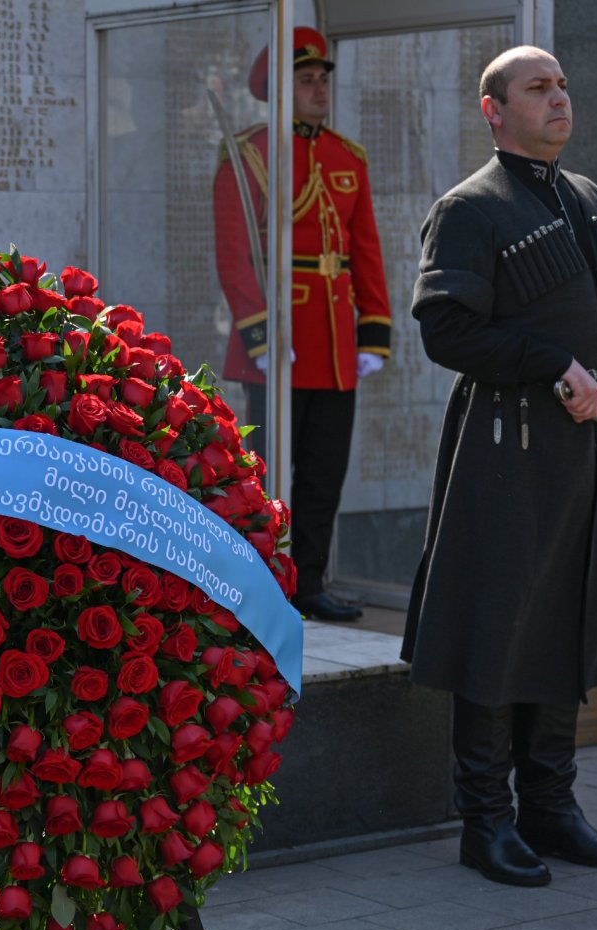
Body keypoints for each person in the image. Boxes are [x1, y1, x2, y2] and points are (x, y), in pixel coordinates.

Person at [402, 46, 597, 887]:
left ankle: (552, 809)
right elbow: (446, 329)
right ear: (493, 110)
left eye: (562, 85)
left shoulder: (587, 199)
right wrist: (549, 364)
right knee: (497, 625)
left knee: (566, 618)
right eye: (538, 88)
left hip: (592, 455)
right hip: (506, 450)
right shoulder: (469, 209)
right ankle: (487, 823)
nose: (559, 99)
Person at [213, 27, 392, 623]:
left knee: (322, 475)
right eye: (306, 81)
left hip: (337, 345)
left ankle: (309, 581)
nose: (319, 90)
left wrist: (373, 333)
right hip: (281, 342)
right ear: (279, 90)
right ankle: (263, 580)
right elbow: (235, 254)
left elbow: (365, 250)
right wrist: (260, 335)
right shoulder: (251, 156)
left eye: (323, 81)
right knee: (266, 473)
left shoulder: (348, 157)